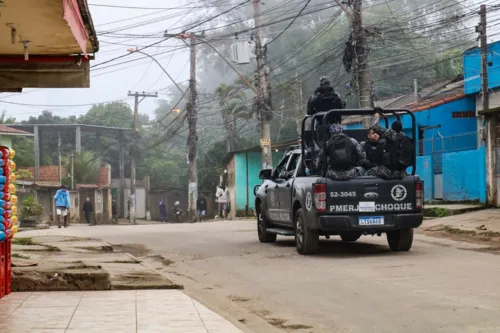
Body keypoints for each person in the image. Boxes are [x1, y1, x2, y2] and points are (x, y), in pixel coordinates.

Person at [367, 111, 413, 179]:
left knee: (368, 173)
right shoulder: (405, 138)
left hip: (390, 171)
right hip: (402, 172)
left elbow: (375, 127)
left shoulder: (391, 135)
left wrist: (376, 115)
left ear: (392, 127)